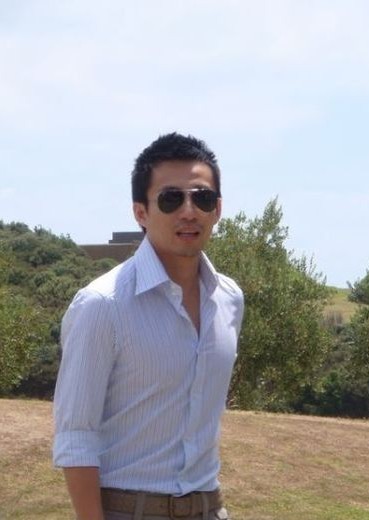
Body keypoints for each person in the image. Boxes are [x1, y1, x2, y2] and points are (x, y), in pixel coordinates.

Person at [53, 133, 244, 520]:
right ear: (141, 212)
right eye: (171, 199)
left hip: (210, 506)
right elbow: (76, 436)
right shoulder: (102, 305)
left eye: (202, 198)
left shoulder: (229, 300)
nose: (189, 211)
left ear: (218, 209)